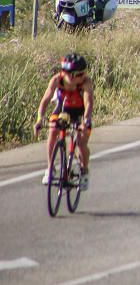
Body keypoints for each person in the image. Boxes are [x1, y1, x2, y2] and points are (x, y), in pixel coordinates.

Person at [35, 53, 94, 188]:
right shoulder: (56, 80)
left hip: (80, 114)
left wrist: (86, 121)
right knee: (52, 130)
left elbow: (89, 103)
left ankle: (84, 170)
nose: (85, 76)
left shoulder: (86, 82)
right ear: (72, 75)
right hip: (62, 110)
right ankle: (50, 168)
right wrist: (39, 119)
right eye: (81, 74)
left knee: (81, 143)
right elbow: (44, 101)